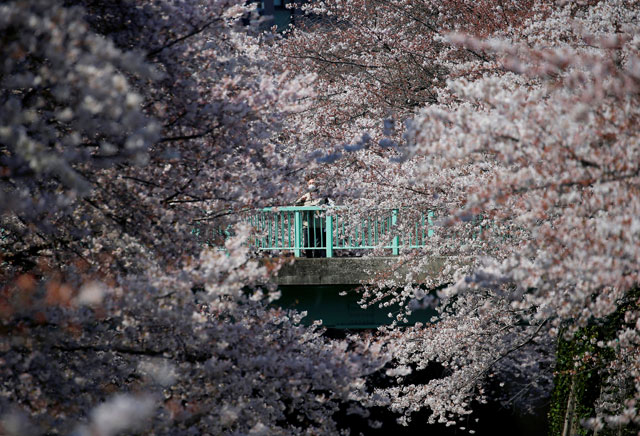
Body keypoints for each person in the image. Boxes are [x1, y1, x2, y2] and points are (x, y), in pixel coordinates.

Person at [295, 179, 331, 257]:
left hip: (319, 223)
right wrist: (301, 200)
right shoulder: (305, 196)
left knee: (318, 244)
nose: (311, 185)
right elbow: (296, 206)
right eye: (310, 183)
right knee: (307, 243)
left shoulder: (322, 195)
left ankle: (317, 259)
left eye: (313, 183)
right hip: (307, 223)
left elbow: (322, 203)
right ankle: (309, 258)